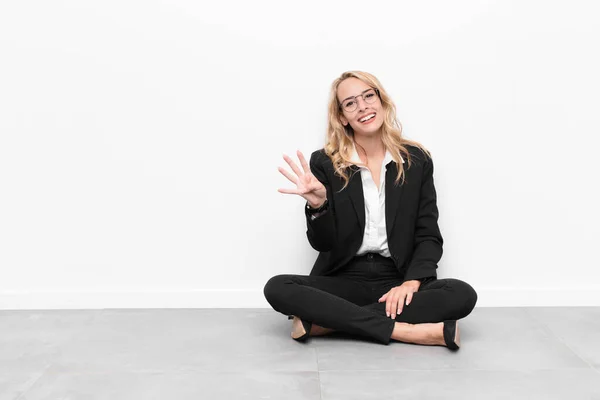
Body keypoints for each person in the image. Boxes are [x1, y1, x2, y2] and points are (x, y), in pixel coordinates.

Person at [263, 71, 477, 349]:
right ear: (342, 117)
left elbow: (428, 234)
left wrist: (411, 282)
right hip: (344, 279)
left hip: (397, 279)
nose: (363, 106)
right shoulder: (324, 163)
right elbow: (323, 243)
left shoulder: (416, 160)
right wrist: (319, 206)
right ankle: (409, 332)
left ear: (381, 101)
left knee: (461, 294)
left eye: (368, 96)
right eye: (350, 103)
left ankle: (326, 323)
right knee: (278, 287)